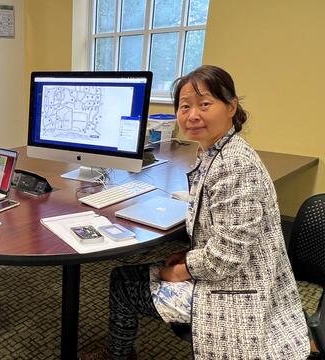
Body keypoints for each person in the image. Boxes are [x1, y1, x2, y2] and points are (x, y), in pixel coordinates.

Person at [99, 65, 309, 359]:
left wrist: (182, 269)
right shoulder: (218, 151)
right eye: (184, 106)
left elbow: (228, 256)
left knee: (123, 285)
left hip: (238, 290)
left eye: (205, 104)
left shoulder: (235, 165)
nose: (192, 115)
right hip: (233, 271)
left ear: (231, 106)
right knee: (125, 275)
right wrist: (187, 257)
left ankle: (118, 356)